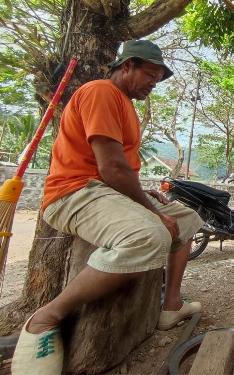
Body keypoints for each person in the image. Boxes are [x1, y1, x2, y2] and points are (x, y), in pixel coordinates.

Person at [11, 40, 203, 374]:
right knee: (148, 235)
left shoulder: (125, 104)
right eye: (149, 75)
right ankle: (48, 316)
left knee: (186, 220)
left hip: (103, 190)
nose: (152, 84)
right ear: (126, 65)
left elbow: (118, 169)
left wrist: (141, 193)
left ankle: (171, 305)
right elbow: (111, 168)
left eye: (157, 80)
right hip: (74, 192)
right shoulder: (101, 91)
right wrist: (152, 212)